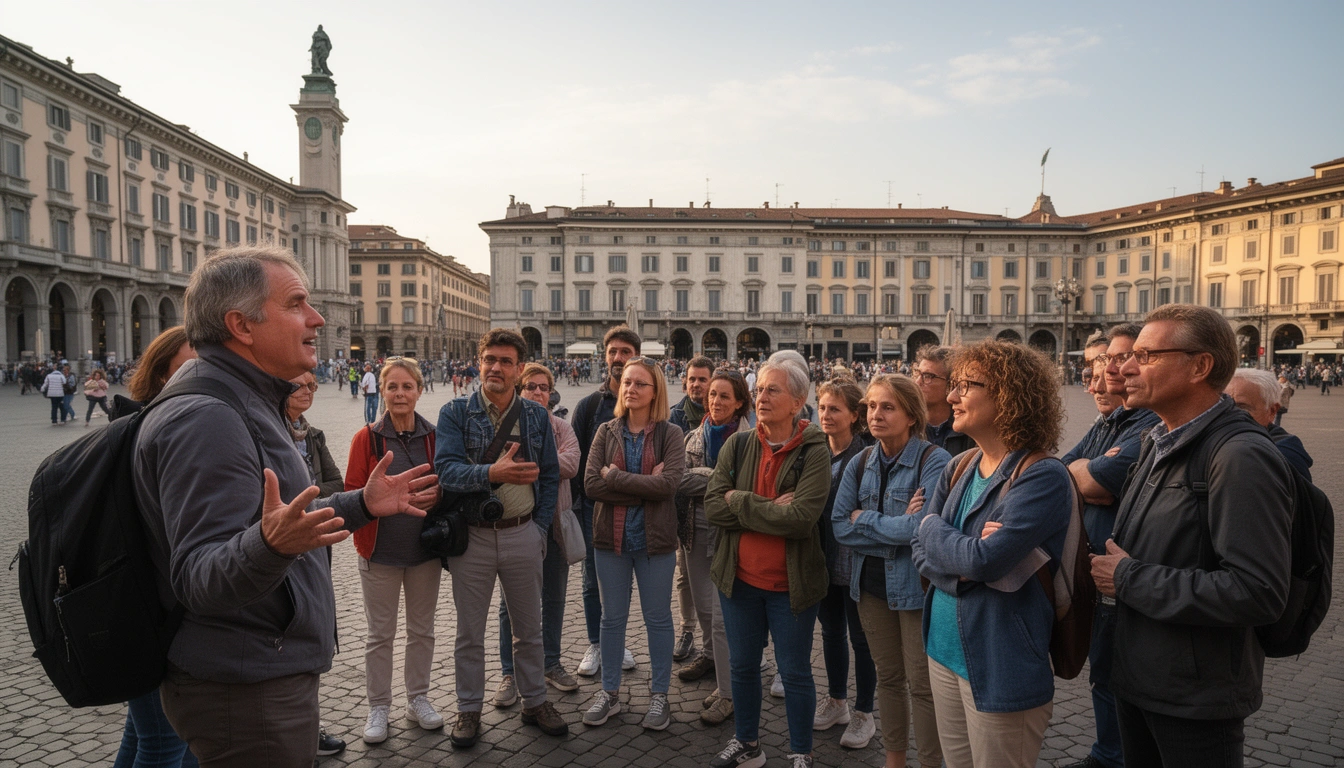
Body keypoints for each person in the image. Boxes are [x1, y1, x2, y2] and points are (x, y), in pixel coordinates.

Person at [135, 247, 438, 767]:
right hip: (246, 685)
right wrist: (271, 545)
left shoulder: (243, 398)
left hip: (258, 668)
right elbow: (198, 577)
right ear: (241, 325)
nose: (317, 318)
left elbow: (286, 518)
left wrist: (363, 503)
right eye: (297, 303)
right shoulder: (209, 417)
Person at [1091, 305, 1293, 768]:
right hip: (1140, 677)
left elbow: (1257, 591)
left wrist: (1127, 578)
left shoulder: (1239, 456)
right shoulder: (1157, 441)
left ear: (1200, 366)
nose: (1124, 367)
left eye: (1146, 355)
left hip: (1195, 697)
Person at [910, 340, 1072, 768]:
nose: (950, 396)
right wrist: (958, 559)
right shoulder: (958, 466)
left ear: (1008, 395)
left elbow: (985, 560)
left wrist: (935, 531)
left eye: (966, 385)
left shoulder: (1042, 476)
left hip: (1001, 660)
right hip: (942, 651)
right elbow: (920, 549)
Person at [435, 328, 568, 748]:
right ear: (479, 362)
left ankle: (535, 701)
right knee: (469, 633)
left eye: (505, 361)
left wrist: (540, 529)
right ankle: (468, 709)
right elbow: (447, 472)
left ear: (518, 369)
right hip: (472, 538)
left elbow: (549, 475)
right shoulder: (455, 412)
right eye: (489, 359)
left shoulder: (533, 417)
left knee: (529, 630)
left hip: (522, 533)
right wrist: (493, 473)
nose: (496, 367)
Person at [705, 350, 832, 768]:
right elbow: (712, 507)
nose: (761, 398)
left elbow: (800, 519)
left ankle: (800, 751)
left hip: (790, 586)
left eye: (772, 390)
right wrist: (765, 505)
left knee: (794, 672)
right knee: (741, 668)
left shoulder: (815, 450)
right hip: (738, 582)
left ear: (798, 402)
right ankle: (747, 743)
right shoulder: (739, 444)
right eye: (759, 389)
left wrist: (739, 501)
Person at [832, 375, 948, 768]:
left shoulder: (936, 461)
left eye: (887, 407)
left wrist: (866, 520)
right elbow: (839, 525)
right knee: (889, 679)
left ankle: (931, 762)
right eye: (871, 406)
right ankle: (894, 760)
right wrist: (896, 525)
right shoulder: (861, 460)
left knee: (923, 686)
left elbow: (924, 529)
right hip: (869, 589)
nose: (875, 415)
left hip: (915, 591)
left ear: (912, 415)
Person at [1059, 324, 1161, 768]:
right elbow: (1061, 471)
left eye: (1118, 360)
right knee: (1103, 669)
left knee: (1118, 673)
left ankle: (1115, 757)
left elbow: (1101, 480)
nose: (1107, 374)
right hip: (1101, 568)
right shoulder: (1110, 422)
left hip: (1125, 569)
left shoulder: (1146, 422)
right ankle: (1109, 754)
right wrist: (1083, 474)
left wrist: (1085, 475)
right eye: (1100, 365)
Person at [580, 356, 686, 731]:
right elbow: (591, 485)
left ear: (655, 390)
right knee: (612, 620)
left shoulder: (670, 434)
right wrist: (643, 488)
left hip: (655, 541)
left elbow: (669, 485)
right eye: (626, 382)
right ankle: (609, 693)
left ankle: (659, 696)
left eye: (640, 383)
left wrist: (617, 478)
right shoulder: (606, 431)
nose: (630, 389)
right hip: (611, 539)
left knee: (658, 619)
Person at [344, 358, 446, 745]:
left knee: (422, 631)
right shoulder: (366, 438)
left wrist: (440, 495)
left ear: (420, 390)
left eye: (407, 387)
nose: (400, 394)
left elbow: (448, 482)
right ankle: (379, 705)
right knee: (379, 635)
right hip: (380, 553)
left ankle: (417, 698)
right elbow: (352, 492)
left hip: (424, 553)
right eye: (392, 387)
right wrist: (371, 500)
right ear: (380, 390)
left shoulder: (434, 436)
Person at [113, 329, 200, 768]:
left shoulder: (138, 423)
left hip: (145, 610)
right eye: (187, 367)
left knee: (143, 736)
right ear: (161, 375)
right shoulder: (159, 433)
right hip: (153, 615)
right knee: (167, 745)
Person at [496, 362, 583, 700]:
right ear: (520, 390)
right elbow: (500, 470)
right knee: (509, 606)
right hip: (515, 527)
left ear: (551, 392)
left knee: (554, 598)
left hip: (555, 527)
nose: (537, 392)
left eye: (543, 387)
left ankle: (551, 663)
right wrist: (547, 465)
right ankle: (509, 673)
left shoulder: (562, 427)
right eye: (530, 386)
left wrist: (525, 466)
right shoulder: (506, 426)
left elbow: (572, 464)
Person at [677, 369, 753, 726]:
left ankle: (729, 693)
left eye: (724, 396)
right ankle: (713, 662)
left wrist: (706, 478)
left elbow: (747, 488)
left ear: (739, 402)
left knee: (724, 618)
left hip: (735, 533)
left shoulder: (752, 439)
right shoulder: (693, 436)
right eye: (712, 395)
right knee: (705, 611)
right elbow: (678, 480)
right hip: (695, 528)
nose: (716, 402)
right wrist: (718, 480)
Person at [810, 377, 879, 749]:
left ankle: (864, 712)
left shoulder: (867, 455)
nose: (826, 414)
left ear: (855, 415)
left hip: (856, 561)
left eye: (835, 409)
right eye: (822, 407)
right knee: (831, 632)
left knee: (862, 639)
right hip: (823, 557)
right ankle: (837, 700)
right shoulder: (814, 450)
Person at [283, 369, 349, 758]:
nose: (309, 390)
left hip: (316, 547)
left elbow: (338, 485)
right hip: (279, 550)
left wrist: (302, 497)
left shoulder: (314, 435)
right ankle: (295, 731)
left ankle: (310, 725)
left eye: (312, 385)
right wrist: (311, 495)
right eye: (300, 384)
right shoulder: (266, 434)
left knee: (314, 631)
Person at [571, 326, 642, 677]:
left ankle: (617, 641)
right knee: (590, 579)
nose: (618, 358)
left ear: (636, 357)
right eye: (613, 351)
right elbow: (580, 466)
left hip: (637, 508)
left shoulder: (645, 405)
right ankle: (596, 644)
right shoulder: (588, 407)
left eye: (625, 351)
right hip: (592, 508)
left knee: (622, 580)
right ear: (605, 356)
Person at [670, 355, 715, 662]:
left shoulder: (730, 414)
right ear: (684, 381)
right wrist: (718, 479)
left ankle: (719, 642)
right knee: (685, 576)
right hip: (684, 510)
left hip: (720, 515)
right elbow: (674, 474)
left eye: (703, 379)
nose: (697, 384)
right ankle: (688, 629)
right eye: (692, 379)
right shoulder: (675, 416)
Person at [1226, 368, 1314, 481]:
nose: (1229, 416)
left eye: (1242, 409)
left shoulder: (1280, 456)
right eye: (1224, 407)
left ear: (1271, 411)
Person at [914, 346, 974, 457]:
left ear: (952, 384)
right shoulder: (907, 426)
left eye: (928, 376)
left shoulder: (969, 431)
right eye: (918, 374)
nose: (917, 382)